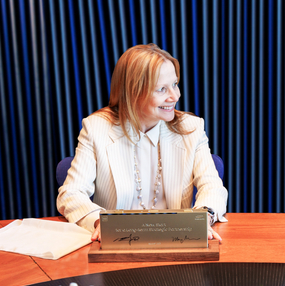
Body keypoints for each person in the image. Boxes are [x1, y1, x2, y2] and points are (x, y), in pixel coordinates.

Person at [57, 44, 228, 241]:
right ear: (133, 92)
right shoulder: (96, 128)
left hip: (176, 244)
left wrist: (203, 219)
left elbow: (212, 187)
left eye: (175, 84)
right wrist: (99, 223)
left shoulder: (192, 128)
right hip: (117, 246)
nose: (175, 96)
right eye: (162, 89)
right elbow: (71, 193)